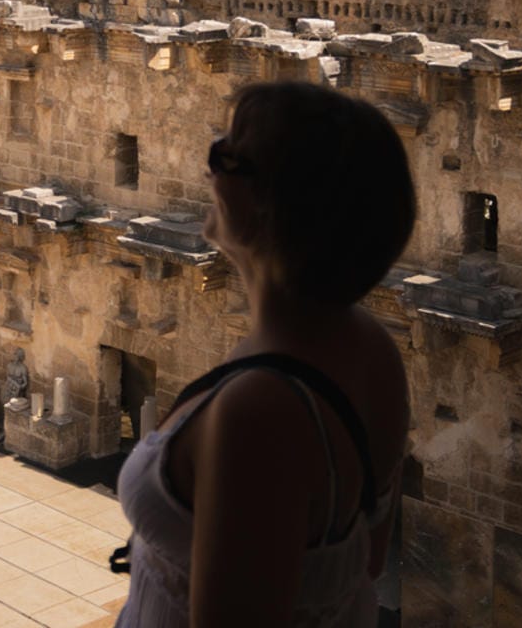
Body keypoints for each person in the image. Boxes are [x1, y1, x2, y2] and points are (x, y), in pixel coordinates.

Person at [114, 81, 416, 627]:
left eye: (225, 156)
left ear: (275, 204)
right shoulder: (372, 350)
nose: (208, 171)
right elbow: (366, 559)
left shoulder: (260, 412)